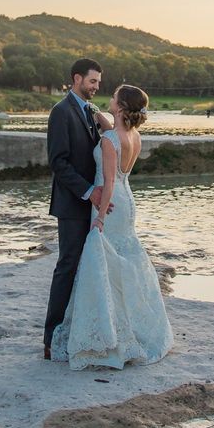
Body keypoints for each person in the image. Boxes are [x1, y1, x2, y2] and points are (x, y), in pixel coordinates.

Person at [50, 84, 174, 370]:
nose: (109, 98)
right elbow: (114, 139)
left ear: (119, 106)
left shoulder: (108, 140)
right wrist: (98, 114)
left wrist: (101, 216)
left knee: (105, 264)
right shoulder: (134, 136)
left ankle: (112, 335)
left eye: (114, 97)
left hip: (111, 203)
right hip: (128, 201)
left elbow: (105, 181)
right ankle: (134, 326)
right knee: (122, 261)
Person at [43, 58, 107, 359]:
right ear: (76, 79)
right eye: (92, 81)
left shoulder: (90, 112)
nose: (96, 87)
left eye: (98, 82)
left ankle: (75, 332)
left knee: (86, 268)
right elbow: (58, 162)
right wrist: (87, 191)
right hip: (71, 204)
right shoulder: (61, 112)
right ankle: (51, 338)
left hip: (91, 204)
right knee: (67, 267)